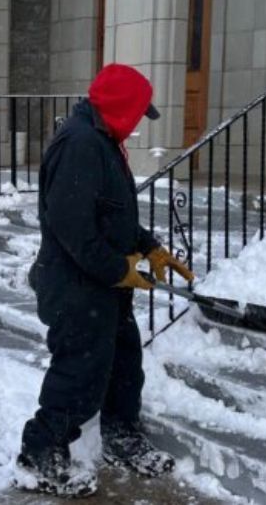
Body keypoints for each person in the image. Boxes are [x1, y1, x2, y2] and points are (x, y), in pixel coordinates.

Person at [13, 64, 194, 498]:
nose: (136, 125)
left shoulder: (102, 140)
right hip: (77, 287)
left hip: (101, 286)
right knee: (79, 372)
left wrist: (149, 247)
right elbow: (73, 227)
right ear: (119, 106)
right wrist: (120, 269)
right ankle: (38, 454)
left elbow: (109, 214)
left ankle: (120, 434)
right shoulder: (80, 145)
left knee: (123, 362)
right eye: (136, 113)